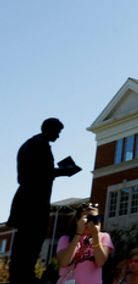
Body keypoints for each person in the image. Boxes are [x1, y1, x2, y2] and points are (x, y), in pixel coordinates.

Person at [8, 118, 80, 284]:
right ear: (50, 130)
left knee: (27, 238)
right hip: (33, 199)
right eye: (58, 132)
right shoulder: (39, 145)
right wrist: (66, 171)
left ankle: (21, 273)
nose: (58, 136)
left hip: (28, 197)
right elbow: (42, 172)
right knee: (32, 237)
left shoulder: (30, 144)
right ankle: (23, 274)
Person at [55, 202, 112, 284]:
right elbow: (64, 262)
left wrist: (95, 236)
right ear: (77, 220)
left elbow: (100, 262)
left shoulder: (104, 237)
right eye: (88, 218)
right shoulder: (65, 239)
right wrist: (78, 234)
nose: (91, 222)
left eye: (95, 218)